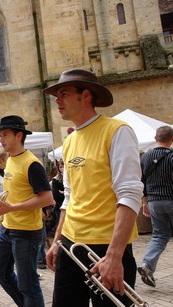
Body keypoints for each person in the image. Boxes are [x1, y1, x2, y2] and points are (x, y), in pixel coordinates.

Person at [44, 69, 144, 306]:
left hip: (106, 246)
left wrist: (114, 255)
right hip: (71, 244)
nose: (57, 100)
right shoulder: (69, 141)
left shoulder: (117, 131)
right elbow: (69, 197)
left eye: (64, 93)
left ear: (86, 96)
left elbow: (130, 194)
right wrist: (58, 241)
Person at [0, 115, 54, 307]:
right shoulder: (10, 159)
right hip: (8, 229)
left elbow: (47, 198)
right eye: (0, 135)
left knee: (29, 285)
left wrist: (12, 208)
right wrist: (1, 220)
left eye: (5, 135)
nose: (1, 139)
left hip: (26, 232)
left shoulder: (31, 163)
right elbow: (13, 195)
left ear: (19, 135)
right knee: (0, 274)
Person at [137, 125, 173, 287]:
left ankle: (147, 265)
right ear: (171, 140)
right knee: (161, 235)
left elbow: (141, 181)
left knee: (159, 236)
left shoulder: (145, 157)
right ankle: (148, 266)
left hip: (153, 202)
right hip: (171, 199)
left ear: (155, 138)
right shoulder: (172, 157)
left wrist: (145, 202)